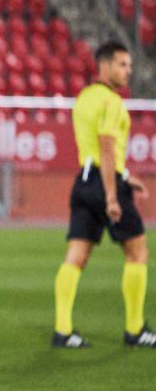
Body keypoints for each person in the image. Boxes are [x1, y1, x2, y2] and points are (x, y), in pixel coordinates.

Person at [53, 41, 155, 348]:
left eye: (130, 66)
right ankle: (135, 330)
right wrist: (113, 194)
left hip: (84, 182)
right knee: (137, 252)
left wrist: (126, 176)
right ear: (105, 65)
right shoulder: (111, 102)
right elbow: (107, 147)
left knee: (77, 255)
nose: (128, 71)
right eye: (122, 64)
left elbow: (93, 152)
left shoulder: (84, 98)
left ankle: (63, 330)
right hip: (104, 184)